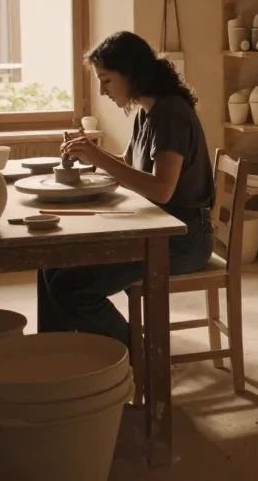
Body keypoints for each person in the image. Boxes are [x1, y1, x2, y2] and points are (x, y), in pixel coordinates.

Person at [38, 31, 215, 345]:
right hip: (155, 229)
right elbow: (129, 163)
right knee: (50, 266)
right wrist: (89, 152)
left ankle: (135, 359)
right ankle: (58, 356)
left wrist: (96, 156)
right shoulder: (147, 112)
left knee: (71, 287)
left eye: (106, 80)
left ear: (131, 74)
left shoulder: (171, 114)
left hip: (183, 240)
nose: (102, 91)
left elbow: (161, 190)